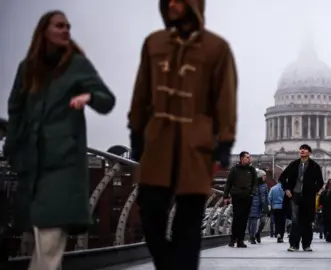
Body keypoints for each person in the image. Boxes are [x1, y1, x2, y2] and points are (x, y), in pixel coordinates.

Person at [127, 0, 237, 268]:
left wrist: (225, 141)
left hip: (196, 144)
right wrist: (136, 132)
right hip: (158, 140)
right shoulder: (153, 43)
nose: (171, 5)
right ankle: (169, 264)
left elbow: (225, 97)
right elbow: (141, 89)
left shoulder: (217, 48)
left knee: (188, 221)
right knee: (150, 213)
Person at [3, 10, 115, 270]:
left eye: (68, 26)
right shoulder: (27, 69)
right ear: (44, 31)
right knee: (36, 241)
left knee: (50, 239)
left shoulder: (77, 65)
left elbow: (106, 99)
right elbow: (15, 109)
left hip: (64, 163)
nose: (66, 30)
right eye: (59, 26)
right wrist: (12, 151)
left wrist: (89, 97)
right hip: (32, 164)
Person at [279, 144, 323, 252]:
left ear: (309, 153)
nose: (302, 151)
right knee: (295, 221)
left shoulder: (315, 166)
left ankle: (306, 245)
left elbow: (320, 182)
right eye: (301, 149)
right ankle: (293, 244)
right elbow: (282, 177)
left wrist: (314, 191)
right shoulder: (293, 164)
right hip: (295, 195)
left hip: (308, 197)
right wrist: (287, 189)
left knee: (307, 221)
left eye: (305, 149)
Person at [223, 152, 257, 248]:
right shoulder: (234, 170)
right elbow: (228, 183)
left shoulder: (252, 170)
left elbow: (255, 183)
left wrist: (252, 193)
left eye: (249, 157)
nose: (249, 159)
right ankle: (233, 238)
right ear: (241, 158)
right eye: (247, 157)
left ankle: (240, 240)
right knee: (237, 218)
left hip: (247, 197)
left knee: (244, 219)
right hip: (237, 197)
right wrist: (225, 196)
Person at [248, 169, 269, 244]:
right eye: (264, 175)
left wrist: (267, 205)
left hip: (262, 206)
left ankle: (258, 233)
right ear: (260, 176)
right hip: (254, 205)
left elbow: (266, 195)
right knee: (253, 222)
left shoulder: (265, 185)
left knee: (263, 222)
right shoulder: (253, 185)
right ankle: (252, 236)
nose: (265, 177)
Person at [269, 178, 285, 243]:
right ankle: (281, 235)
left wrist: (272, 205)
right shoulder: (284, 189)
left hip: (275, 207)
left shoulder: (272, 188)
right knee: (282, 222)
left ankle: (277, 233)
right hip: (283, 207)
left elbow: (269, 198)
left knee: (277, 221)